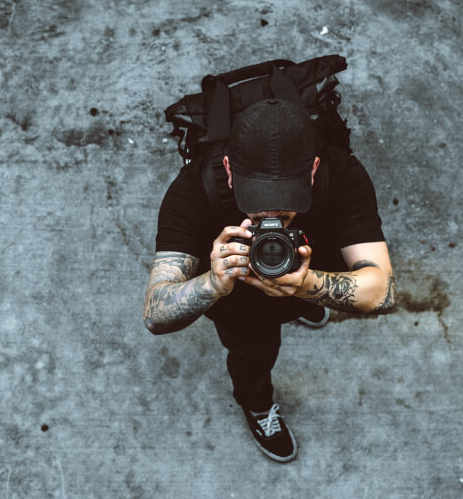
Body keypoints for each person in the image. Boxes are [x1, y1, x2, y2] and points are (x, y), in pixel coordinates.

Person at [143, 97, 395, 462]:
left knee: (316, 297)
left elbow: (383, 291)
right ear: (229, 171)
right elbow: (155, 313)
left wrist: (308, 286)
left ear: (313, 170)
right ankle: (257, 405)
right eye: (257, 198)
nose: (272, 215)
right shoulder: (194, 189)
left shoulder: (343, 175)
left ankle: (305, 305)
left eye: (288, 198)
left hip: (310, 277)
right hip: (241, 310)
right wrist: (213, 283)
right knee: (253, 360)